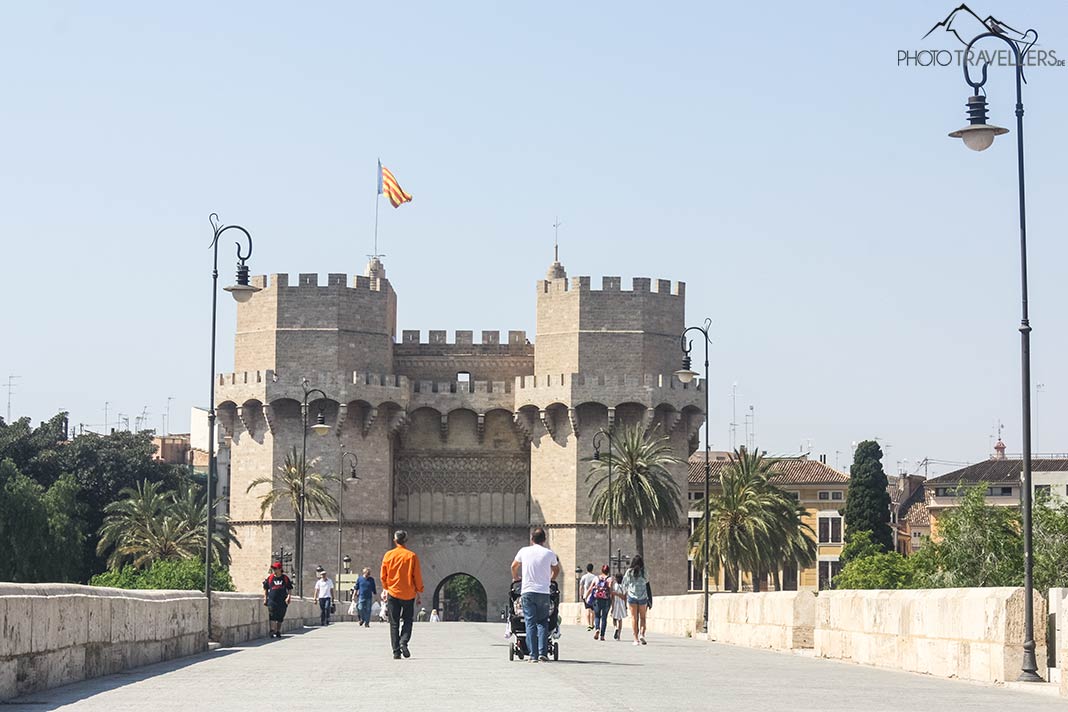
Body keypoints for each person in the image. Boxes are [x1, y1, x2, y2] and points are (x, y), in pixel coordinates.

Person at [510, 526, 560, 663]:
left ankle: (533, 655)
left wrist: (516, 578)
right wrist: (551, 579)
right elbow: (556, 569)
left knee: (530, 623)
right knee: (543, 622)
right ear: (544, 540)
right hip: (543, 592)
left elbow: (513, 566)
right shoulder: (549, 554)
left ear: (532, 539)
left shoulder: (524, 551)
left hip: (527, 592)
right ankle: (543, 653)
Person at [381, 529, 424, 659]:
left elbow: (383, 575)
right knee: (407, 620)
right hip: (408, 594)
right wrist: (419, 590)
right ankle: (403, 642)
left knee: (394, 623)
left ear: (395, 540)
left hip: (393, 593)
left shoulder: (388, 555)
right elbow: (416, 575)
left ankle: (396, 651)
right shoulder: (411, 556)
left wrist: (386, 587)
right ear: (406, 540)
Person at [622, 555, 651, 645]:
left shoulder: (629, 572)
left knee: (634, 618)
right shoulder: (644, 571)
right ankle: (642, 634)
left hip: (632, 597)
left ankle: (635, 639)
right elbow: (647, 581)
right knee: (643, 617)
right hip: (642, 597)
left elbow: (624, 584)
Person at [263, 562, 293, 639]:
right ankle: (272, 630)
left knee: (280, 617)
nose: (274, 570)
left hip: (282, 601)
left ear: (280, 569)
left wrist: (289, 597)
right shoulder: (270, 578)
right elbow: (266, 588)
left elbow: (289, 588)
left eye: (275, 568)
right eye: (273, 568)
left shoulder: (285, 578)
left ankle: (278, 631)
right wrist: (265, 598)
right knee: (272, 615)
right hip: (272, 600)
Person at [590, 564, 613, 641]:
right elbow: (610, 590)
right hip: (606, 600)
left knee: (597, 616)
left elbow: (591, 588)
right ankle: (602, 636)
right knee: (604, 618)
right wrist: (612, 600)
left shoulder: (596, 578)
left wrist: (586, 596)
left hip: (597, 599)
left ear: (601, 570)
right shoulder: (610, 579)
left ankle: (597, 628)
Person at [579, 563, 597, 631]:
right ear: (592, 569)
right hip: (593, 596)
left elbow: (581, 586)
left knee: (587, 610)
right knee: (593, 610)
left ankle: (588, 624)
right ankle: (592, 624)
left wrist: (581, 595)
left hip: (586, 595)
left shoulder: (584, 577)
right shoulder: (594, 577)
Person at [610, 572, 628, 640]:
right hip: (622, 604)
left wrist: (612, 606)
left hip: (616, 603)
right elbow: (625, 596)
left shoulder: (615, 586)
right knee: (620, 620)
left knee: (614, 618)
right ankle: (619, 635)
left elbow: (612, 596)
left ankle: (615, 627)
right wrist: (625, 605)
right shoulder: (624, 586)